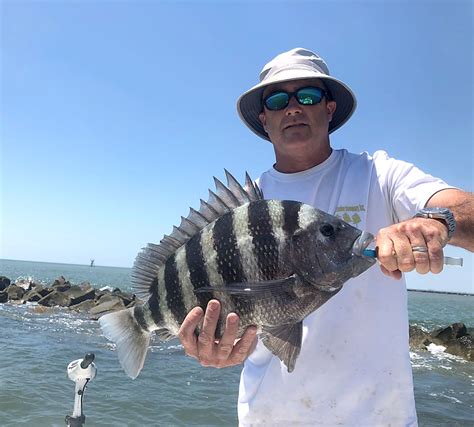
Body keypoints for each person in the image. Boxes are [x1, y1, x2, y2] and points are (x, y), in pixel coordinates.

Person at [178, 48, 473, 426]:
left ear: (329, 108)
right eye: (279, 99)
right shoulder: (243, 210)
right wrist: (209, 350)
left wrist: (438, 220)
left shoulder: (379, 175)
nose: (294, 108)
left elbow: (460, 206)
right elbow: (217, 312)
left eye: (308, 96)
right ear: (264, 118)